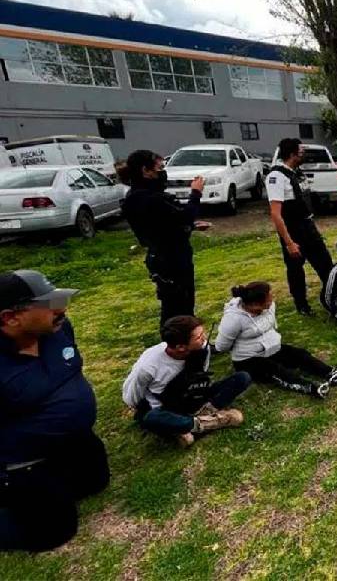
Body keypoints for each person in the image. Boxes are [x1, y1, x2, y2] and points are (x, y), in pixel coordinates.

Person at [0, 270, 109, 551]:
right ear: (10, 318)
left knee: (95, 482)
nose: (60, 309)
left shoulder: (58, 329)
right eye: (48, 304)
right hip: (24, 460)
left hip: (71, 441)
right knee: (54, 531)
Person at [123, 315, 252, 448]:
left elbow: (201, 375)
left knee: (242, 378)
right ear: (180, 347)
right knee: (151, 418)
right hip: (167, 408)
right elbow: (131, 398)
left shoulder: (203, 348)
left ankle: (191, 424)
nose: (204, 338)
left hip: (194, 397)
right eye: (198, 337)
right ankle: (212, 422)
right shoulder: (148, 366)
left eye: (203, 333)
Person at [215, 282, 337, 399]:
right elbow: (221, 346)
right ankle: (311, 388)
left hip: (271, 348)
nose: (272, 300)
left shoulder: (269, 306)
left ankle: (332, 373)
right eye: (268, 299)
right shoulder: (233, 319)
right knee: (274, 370)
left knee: (300, 354)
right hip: (248, 360)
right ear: (254, 305)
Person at [120, 150, 212, 327]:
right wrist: (196, 193)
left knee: (182, 302)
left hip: (168, 254)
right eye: (160, 167)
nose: (163, 171)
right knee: (177, 305)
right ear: (146, 170)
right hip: (169, 258)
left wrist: (190, 227)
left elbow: (163, 223)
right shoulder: (147, 198)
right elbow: (183, 216)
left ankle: (190, 341)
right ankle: (177, 345)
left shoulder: (140, 196)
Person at [268, 138, 334, 315]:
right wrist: (289, 242)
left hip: (308, 226)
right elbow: (275, 213)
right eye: (301, 152)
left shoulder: (296, 172)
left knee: (325, 263)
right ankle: (301, 304)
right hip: (293, 229)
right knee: (296, 269)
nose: (304, 155)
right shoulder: (277, 177)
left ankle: (334, 296)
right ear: (291, 154)